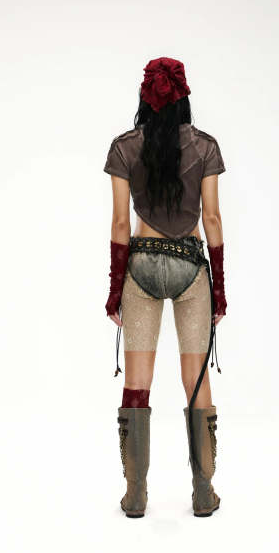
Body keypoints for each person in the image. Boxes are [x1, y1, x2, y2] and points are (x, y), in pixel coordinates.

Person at [103, 57, 228, 518]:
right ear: (184, 98)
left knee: (137, 384)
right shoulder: (206, 147)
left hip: (141, 268)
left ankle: (136, 494)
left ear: (145, 97)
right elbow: (212, 219)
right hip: (191, 267)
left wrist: (115, 290)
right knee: (195, 379)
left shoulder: (124, 148)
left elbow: (121, 224)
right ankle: (203, 492)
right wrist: (220, 289)